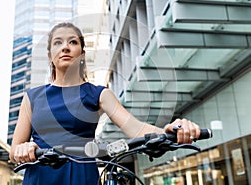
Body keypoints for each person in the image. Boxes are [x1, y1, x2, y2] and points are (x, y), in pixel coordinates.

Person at [10, 22, 201, 185]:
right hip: (39, 177)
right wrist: (25, 148)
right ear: (50, 55)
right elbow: (14, 151)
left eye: (73, 42)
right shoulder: (32, 97)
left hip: (82, 177)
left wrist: (170, 131)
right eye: (58, 42)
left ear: (82, 54)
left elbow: (136, 128)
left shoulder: (99, 94)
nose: (65, 47)